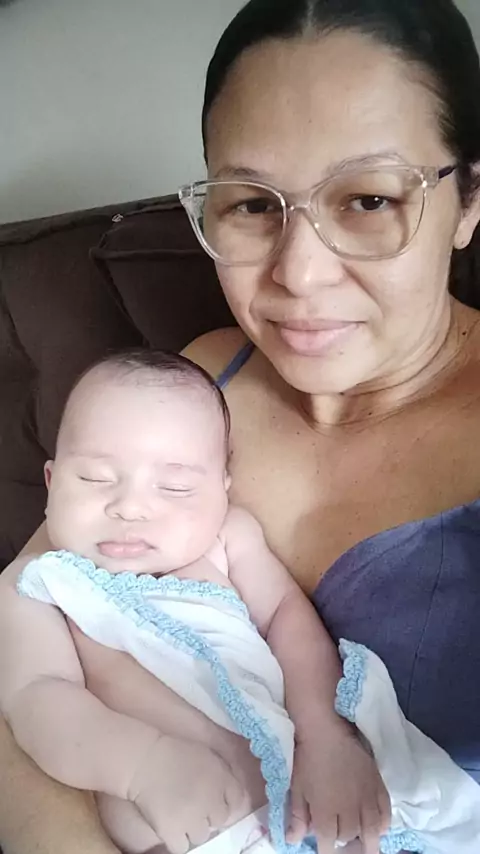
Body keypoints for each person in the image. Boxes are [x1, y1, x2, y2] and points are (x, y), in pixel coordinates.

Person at [1, 0, 480, 852]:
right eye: (253, 204)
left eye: (369, 198)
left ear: (470, 199)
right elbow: (24, 622)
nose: (300, 274)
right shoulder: (197, 380)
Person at [0, 349, 389, 854]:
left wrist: (325, 735)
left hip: (308, 801)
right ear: (51, 484)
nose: (131, 508)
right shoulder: (41, 584)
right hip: (184, 834)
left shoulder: (227, 540)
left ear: (222, 492)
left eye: (176, 487)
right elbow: (37, 698)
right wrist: (141, 765)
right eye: (95, 478)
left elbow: (288, 620)